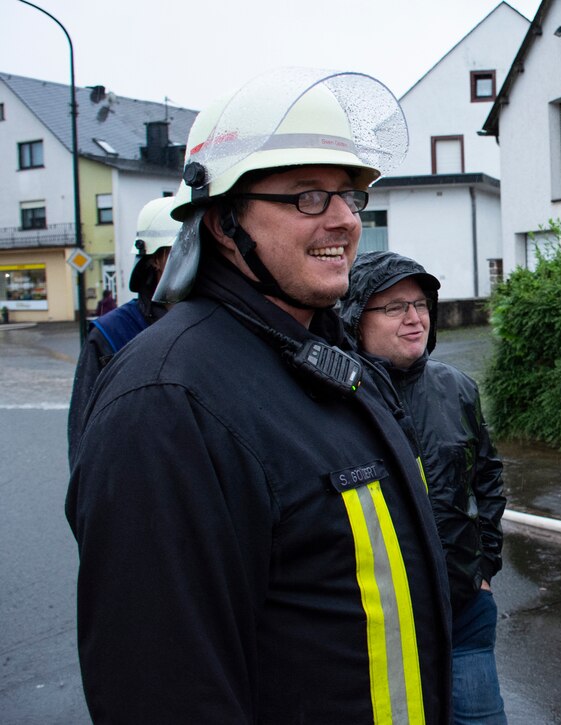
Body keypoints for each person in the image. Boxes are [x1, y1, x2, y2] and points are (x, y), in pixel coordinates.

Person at [65, 68, 453, 724]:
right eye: (307, 196)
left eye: (348, 196)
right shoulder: (166, 405)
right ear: (221, 222)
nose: (344, 221)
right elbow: (163, 694)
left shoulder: (332, 363)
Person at [341, 250, 508, 724]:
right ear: (355, 318)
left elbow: (488, 477)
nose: (415, 319)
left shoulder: (457, 387)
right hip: (381, 628)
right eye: (394, 307)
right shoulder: (336, 399)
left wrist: (486, 565)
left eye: (420, 305)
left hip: (465, 610)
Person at [68, 195, 178, 465]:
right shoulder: (112, 334)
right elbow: (85, 439)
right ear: (154, 258)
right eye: (178, 250)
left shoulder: (227, 320)